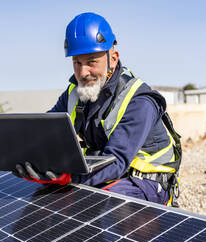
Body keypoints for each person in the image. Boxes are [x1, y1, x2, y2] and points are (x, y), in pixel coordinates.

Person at [14, 12, 181, 206]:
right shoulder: (75, 93)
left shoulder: (139, 101)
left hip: (146, 181)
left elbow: (116, 160)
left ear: (113, 59)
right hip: (104, 172)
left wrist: (68, 176)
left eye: (92, 62)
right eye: (77, 62)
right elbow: (47, 130)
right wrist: (29, 155)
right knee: (50, 201)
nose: (83, 72)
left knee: (98, 206)